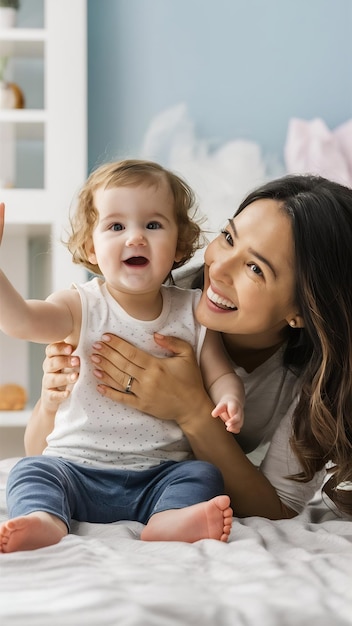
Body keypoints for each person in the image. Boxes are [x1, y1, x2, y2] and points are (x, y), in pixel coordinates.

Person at [27, 173, 352, 521]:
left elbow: (280, 507)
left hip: (175, 487)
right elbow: (39, 452)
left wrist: (192, 410)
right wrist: (51, 403)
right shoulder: (152, 300)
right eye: (228, 238)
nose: (219, 268)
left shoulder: (319, 382)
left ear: (302, 310)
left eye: (256, 269)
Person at [0, 159, 244, 553]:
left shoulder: (194, 311)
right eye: (116, 226)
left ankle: (167, 521)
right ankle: (45, 520)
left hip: (158, 476)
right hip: (76, 468)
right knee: (31, 469)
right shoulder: (79, 306)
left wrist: (231, 398)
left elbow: (220, 375)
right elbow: (22, 321)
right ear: (89, 248)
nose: (135, 238)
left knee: (202, 474)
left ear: (180, 242)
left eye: (152, 225)